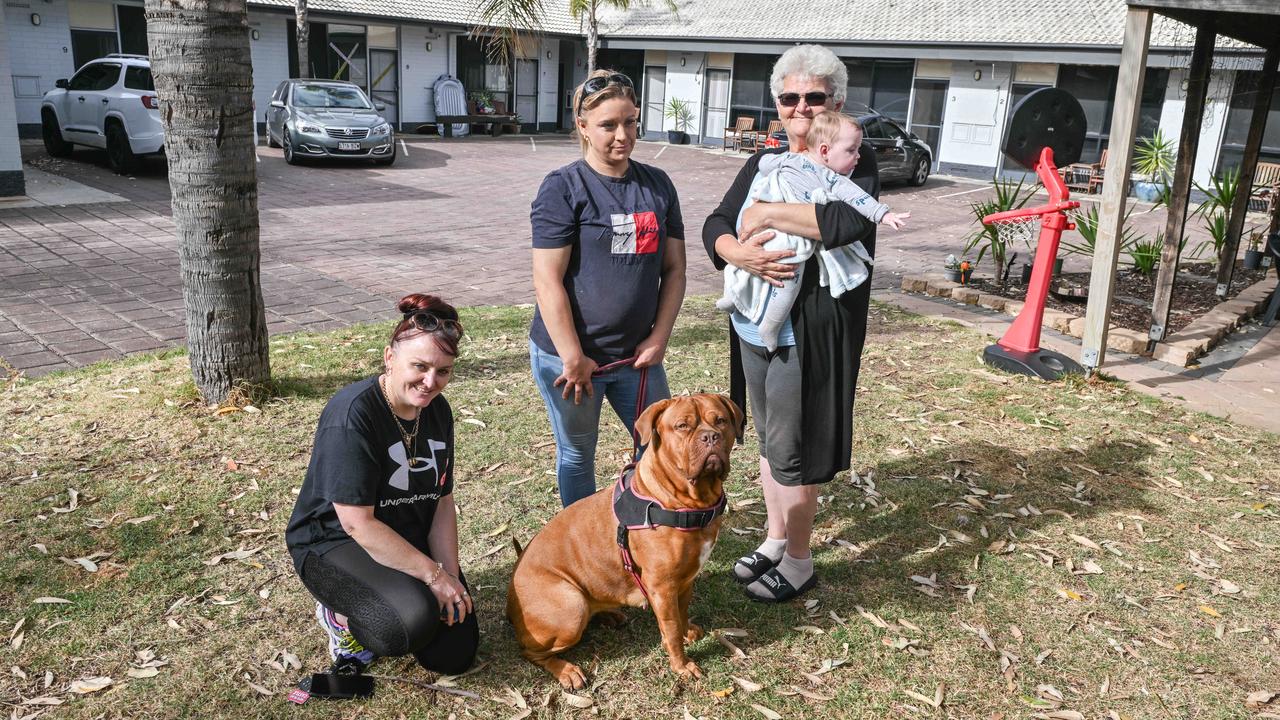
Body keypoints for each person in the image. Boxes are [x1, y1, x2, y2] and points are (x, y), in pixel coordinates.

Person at [702, 44, 881, 603]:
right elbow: (715, 223)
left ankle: (799, 561)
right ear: (777, 105)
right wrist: (736, 251)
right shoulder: (763, 163)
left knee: (794, 448)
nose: (801, 107)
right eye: (789, 98)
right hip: (755, 324)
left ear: (836, 102)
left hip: (810, 329)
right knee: (766, 435)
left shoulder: (852, 159)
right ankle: (776, 538)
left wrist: (765, 215)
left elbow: (839, 221)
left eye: (814, 97)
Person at [285, 293, 477, 674]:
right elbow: (357, 523)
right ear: (390, 358)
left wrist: (451, 577)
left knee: (454, 654)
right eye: (419, 366)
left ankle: (409, 588)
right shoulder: (352, 414)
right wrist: (432, 576)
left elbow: (441, 500)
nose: (430, 382)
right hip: (336, 541)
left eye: (443, 371)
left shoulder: (436, 410)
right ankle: (339, 617)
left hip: (404, 532)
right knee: (403, 625)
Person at [529, 69, 687, 507]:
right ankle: (582, 538)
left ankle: (645, 526)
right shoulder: (564, 187)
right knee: (578, 453)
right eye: (608, 125)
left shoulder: (657, 184)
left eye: (631, 122)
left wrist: (659, 339)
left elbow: (674, 270)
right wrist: (572, 355)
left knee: (659, 446)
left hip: (637, 358)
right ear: (582, 126)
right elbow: (548, 279)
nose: (623, 135)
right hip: (574, 361)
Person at [716, 111, 908, 351]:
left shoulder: (833, 178)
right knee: (739, 264)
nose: (858, 156)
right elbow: (763, 164)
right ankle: (732, 297)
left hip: (790, 244)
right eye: (851, 151)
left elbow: (860, 199)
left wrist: (883, 214)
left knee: (785, 282)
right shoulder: (792, 161)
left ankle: (769, 326)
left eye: (857, 150)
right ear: (825, 151)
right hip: (762, 236)